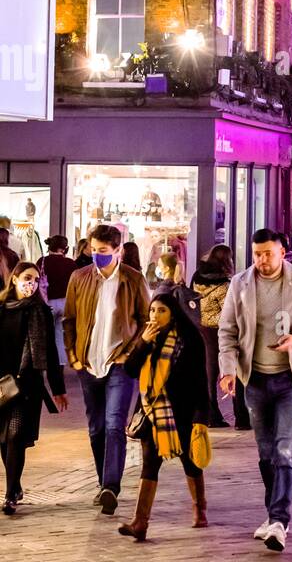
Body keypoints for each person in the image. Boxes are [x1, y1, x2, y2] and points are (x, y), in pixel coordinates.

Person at [218, 229, 292, 553]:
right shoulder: (240, 284)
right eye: (256, 254)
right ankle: (272, 515)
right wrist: (228, 370)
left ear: (282, 252)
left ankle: (279, 519)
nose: (262, 261)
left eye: (268, 254)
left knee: (285, 448)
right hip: (256, 381)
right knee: (266, 454)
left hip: (291, 380)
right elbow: (227, 330)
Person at [63, 224, 151, 513]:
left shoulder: (133, 280)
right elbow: (69, 319)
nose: (97, 256)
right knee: (96, 427)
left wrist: (129, 353)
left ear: (118, 251)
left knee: (114, 424)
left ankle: (111, 486)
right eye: (93, 250)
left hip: (119, 363)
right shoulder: (79, 278)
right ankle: (104, 483)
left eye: (103, 251)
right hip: (88, 362)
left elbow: (144, 319)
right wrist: (74, 357)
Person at [117, 292, 211, 540]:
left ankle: (199, 508)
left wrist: (201, 417)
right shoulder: (148, 336)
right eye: (152, 311)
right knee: (149, 464)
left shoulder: (190, 338)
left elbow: (201, 380)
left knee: (190, 462)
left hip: (182, 412)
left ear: (173, 312)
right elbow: (129, 370)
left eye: (161, 311)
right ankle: (140, 522)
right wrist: (143, 343)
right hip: (152, 412)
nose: (155, 316)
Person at [0, 262, 68, 514]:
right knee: (3, 440)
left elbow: (50, 351)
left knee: (16, 435)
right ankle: (15, 485)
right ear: (15, 278)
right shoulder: (2, 307)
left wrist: (58, 388)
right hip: (0, 384)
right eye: (28, 278)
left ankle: (9, 496)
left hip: (26, 382)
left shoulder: (40, 311)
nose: (32, 283)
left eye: (37, 279)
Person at [192, 244, 236, 428]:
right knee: (215, 371)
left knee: (204, 371)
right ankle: (212, 414)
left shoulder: (197, 276)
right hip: (215, 330)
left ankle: (203, 412)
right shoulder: (225, 283)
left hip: (198, 326)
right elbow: (228, 312)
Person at [43, 235, 76, 369]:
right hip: (65, 302)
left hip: (48, 303)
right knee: (59, 333)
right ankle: (61, 361)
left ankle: (47, 362)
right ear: (65, 248)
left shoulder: (43, 261)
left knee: (46, 334)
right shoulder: (71, 263)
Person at [152, 252, 200, 322]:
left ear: (166, 269)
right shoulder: (181, 287)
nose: (157, 268)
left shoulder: (162, 290)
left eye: (159, 265)